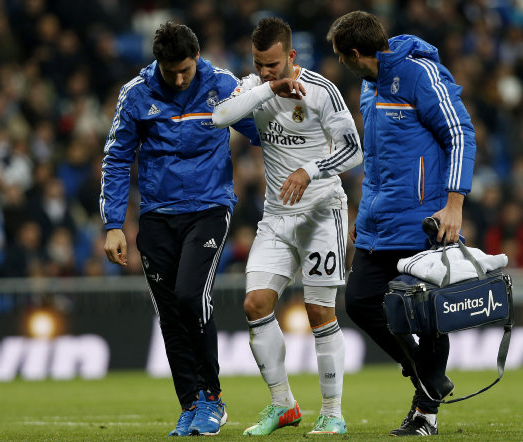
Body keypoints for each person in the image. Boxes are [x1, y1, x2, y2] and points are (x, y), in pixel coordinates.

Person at [99, 21, 260, 437]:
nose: (178, 78)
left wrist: (279, 104)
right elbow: (116, 159)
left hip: (208, 208)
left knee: (191, 295)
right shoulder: (136, 94)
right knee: (169, 312)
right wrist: (114, 224)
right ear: (158, 63)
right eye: (170, 71)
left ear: (198, 57)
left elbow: (259, 133)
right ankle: (190, 403)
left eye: (185, 70)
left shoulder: (222, 84)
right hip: (156, 215)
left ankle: (213, 398)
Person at [327, 11, 476, 437]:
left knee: (427, 315)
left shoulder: (421, 75)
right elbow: (376, 161)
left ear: (355, 54)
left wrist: (454, 205)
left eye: (341, 57)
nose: (341, 63)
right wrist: (364, 212)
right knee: (359, 302)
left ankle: (424, 415)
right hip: (379, 221)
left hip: (425, 219)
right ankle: (426, 375)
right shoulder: (369, 86)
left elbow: (461, 133)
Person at [213, 17, 363, 436]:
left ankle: (332, 411)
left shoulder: (321, 90)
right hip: (276, 217)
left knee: (319, 311)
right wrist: (267, 87)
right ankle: (283, 405)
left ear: (292, 56)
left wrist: (309, 170)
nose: (265, 70)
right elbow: (219, 117)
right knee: (255, 305)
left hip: (321, 212)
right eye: (259, 63)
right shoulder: (253, 88)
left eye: (274, 65)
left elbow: (353, 152)